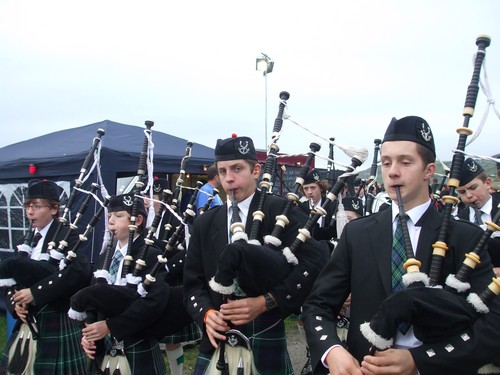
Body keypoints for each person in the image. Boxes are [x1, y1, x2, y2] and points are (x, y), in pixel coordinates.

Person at [302, 115, 500, 374]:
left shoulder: (465, 237)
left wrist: (419, 360)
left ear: (429, 170)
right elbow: (318, 305)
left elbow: (492, 326)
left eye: (405, 162)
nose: (392, 171)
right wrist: (333, 351)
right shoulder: (357, 233)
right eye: (386, 162)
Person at [183, 135, 329, 375]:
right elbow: (192, 284)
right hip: (218, 338)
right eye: (222, 171)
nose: (229, 178)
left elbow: (314, 264)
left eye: (237, 168)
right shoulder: (206, 222)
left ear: (256, 170)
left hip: (265, 329)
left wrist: (267, 301)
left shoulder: (281, 210)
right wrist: (207, 315)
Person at [0, 179, 90, 374]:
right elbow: (11, 279)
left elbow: (77, 273)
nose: (30, 211)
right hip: (30, 323)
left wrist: (35, 293)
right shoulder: (27, 239)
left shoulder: (67, 236)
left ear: (54, 209)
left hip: (55, 318)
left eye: (37, 206)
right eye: (28, 206)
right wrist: (14, 304)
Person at [79, 193, 168, 375]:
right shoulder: (105, 256)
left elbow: (154, 303)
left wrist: (111, 326)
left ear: (138, 220)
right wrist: (88, 331)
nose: (111, 221)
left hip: (137, 342)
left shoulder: (151, 256)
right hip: (103, 347)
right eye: (110, 216)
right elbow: (92, 296)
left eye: (119, 216)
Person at [456, 157, 500, 277]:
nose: (468, 196)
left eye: (473, 188)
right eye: (462, 192)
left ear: (488, 183)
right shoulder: (458, 220)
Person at [298, 168, 337, 244]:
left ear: (321, 188)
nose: (309, 192)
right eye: (306, 188)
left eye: (313, 188)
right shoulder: (300, 208)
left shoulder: (332, 206)